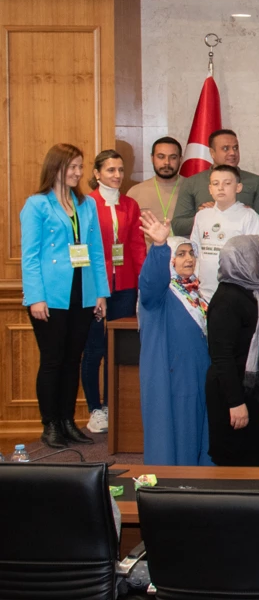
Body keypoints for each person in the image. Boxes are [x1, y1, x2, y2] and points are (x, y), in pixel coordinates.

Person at [20, 143, 108, 449]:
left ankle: (68, 421)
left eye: (80, 167)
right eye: (72, 166)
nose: (77, 172)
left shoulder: (86, 204)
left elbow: (95, 251)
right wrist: (35, 297)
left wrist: (100, 293)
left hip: (82, 293)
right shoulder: (37, 205)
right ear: (55, 167)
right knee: (53, 360)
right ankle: (51, 424)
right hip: (50, 295)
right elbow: (29, 256)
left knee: (74, 360)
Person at [136, 213, 210, 465]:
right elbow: (151, 280)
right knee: (176, 436)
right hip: (171, 378)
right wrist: (159, 246)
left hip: (197, 376)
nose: (188, 258)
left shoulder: (196, 291)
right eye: (180, 254)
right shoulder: (159, 294)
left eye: (191, 253)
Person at [83, 149, 145, 434]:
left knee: (117, 348)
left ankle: (113, 405)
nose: (117, 175)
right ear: (96, 174)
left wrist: (143, 281)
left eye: (120, 170)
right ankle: (95, 408)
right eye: (110, 170)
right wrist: (96, 288)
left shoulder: (130, 205)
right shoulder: (85, 204)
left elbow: (135, 246)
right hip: (97, 287)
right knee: (94, 348)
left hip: (125, 285)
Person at [205, 234, 259, 467]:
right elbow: (221, 356)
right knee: (232, 462)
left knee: (255, 459)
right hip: (231, 393)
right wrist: (235, 403)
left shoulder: (252, 294)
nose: (258, 263)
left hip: (249, 392)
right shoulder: (227, 298)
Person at [171, 129, 259, 235]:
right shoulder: (192, 183)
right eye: (226, 148)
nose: (232, 153)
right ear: (212, 153)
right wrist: (206, 215)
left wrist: (245, 213)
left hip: (241, 248)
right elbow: (178, 227)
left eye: (235, 148)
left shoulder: (255, 181)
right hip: (207, 248)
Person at [188, 164, 259, 302]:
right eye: (215, 184)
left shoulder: (249, 216)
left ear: (238, 187)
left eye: (227, 183)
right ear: (210, 189)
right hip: (204, 292)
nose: (221, 188)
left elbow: (254, 259)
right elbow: (195, 250)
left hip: (236, 293)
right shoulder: (202, 216)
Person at [127, 136, 183, 225]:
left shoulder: (192, 187)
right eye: (161, 157)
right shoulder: (135, 192)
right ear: (152, 158)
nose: (167, 162)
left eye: (173, 157)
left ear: (180, 159)